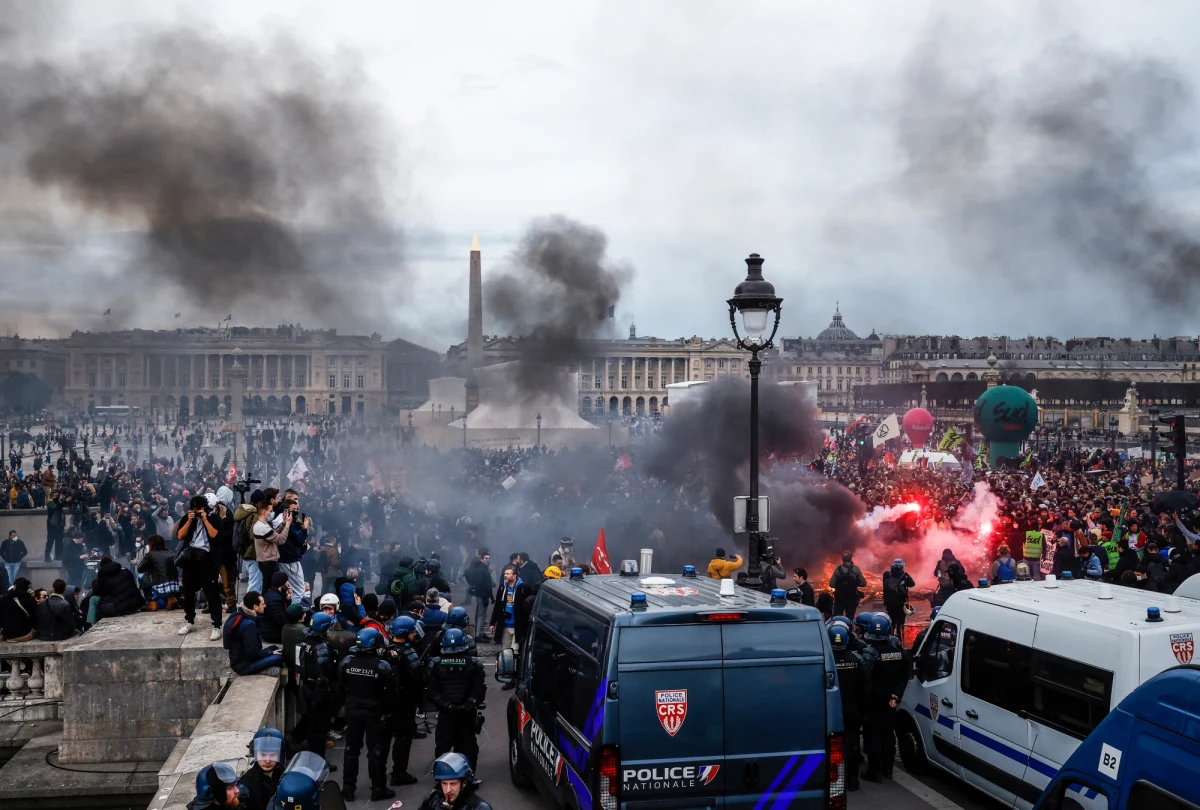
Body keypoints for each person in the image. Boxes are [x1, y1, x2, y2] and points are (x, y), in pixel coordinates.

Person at [338, 627, 395, 803]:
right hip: (374, 713)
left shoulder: (347, 662)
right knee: (375, 752)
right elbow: (392, 692)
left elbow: (341, 687)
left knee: (351, 750)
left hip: (353, 710)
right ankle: (378, 789)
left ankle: (348, 789)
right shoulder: (382, 666)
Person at [427, 627, 486, 772]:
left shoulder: (435, 663)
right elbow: (479, 690)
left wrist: (447, 706)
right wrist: (468, 704)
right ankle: (468, 775)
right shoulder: (474, 663)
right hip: (467, 713)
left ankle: (441, 777)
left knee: (443, 745)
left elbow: (432, 691)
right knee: (467, 744)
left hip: (446, 713)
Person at [860, 614, 907, 783]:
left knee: (874, 736)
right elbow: (905, 675)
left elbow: (867, 680)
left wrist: (885, 695)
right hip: (892, 701)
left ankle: (874, 772)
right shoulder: (898, 650)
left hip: (874, 701)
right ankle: (887, 769)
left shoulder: (870, 653)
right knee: (888, 735)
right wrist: (895, 696)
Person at [175, 494, 224, 641]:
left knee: (212, 594)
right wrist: (190, 520)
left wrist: (205, 519)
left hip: (207, 561)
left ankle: (216, 624)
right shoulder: (187, 518)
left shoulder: (213, 518)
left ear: (205, 508)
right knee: (188, 593)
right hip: (190, 561)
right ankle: (190, 621)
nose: (196, 511)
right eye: (194, 509)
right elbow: (180, 536)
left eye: (199, 509)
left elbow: (214, 535)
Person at [384, 615, 424, 787]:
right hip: (405, 702)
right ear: (406, 633)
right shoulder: (409, 654)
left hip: (386, 702)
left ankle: (379, 776)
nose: (415, 635)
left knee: (383, 741)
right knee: (403, 739)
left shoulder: (385, 651)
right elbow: (419, 678)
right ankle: (398, 773)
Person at [829, 623, 866, 792]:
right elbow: (864, 687)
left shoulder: (826, 661)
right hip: (852, 710)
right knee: (852, 745)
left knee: (832, 747)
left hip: (831, 711)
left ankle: (835, 781)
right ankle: (853, 781)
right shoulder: (855, 660)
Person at [295, 611, 338, 755]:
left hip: (305, 685)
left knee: (310, 722)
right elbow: (323, 672)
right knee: (319, 727)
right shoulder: (321, 647)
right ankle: (319, 762)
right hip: (318, 690)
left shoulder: (303, 641)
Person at [223, 592, 284, 677]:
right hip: (244, 665)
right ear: (255, 607)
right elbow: (253, 653)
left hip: (240, 659)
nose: (265, 606)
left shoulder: (240, 614)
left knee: (275, 648)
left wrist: (271, 651)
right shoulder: (249, 625)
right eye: (262, 604)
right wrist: (270, 653)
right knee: (280, 657)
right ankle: (262, 670)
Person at [419, 752, 494, 810]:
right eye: (444, 783)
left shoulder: (480, 808)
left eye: (453, 784)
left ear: (464, 783)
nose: (448, 790)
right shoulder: (434, 799)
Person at [241, 728, 285, 810]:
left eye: (272, 755)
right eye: (263, 755)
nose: (268, 761)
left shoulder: (285, 775)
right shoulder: (247, 782)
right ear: (255, 754)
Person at [487, 565, 524, 656]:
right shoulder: (502, 588)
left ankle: (515, 669)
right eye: (504, 574)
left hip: (517, 625)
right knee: (505, 652)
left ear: (514, 575)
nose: (505, 575)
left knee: (515, 652)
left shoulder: (523, 588)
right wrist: (492, 623)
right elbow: (497, 606)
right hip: (505, 625)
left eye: (508, 574)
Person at [461, 549, 494, 643]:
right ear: (482, 559)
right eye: (486, 558)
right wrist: (487, 596)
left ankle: (481, 632)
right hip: (482, 595)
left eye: (489, 558)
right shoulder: (482, 570)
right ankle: (480, 634)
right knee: (482, 615)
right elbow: (483, 584)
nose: (488, 560)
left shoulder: (481, 569)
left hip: (481, 594)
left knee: (480, 613)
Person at [880, 559, 915, 637]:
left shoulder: (886, 574)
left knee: (891, 622)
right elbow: (912, 584)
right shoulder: (904, 575)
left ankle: (890, 638)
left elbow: (885, 587)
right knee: (900, 623)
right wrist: (906, 575)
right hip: (900, 603)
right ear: (902, 566)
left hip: (889, 603)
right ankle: (900, 639)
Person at [830, 551, 867, 618]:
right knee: (850, 617)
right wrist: (855, 582)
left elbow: (831, 584)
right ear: (851, 559)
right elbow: (863, 583)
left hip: (839, 598)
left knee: (837, 618)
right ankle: (849, 628)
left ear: (843, 559)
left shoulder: (838, 570)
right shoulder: (855, 569)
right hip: (851, 598)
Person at [0, 577, 37, 642]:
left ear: (15, 586)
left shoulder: (4, 600)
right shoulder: (29, 600)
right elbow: (35, 617)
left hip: (8, 635)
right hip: (23, 634)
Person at [261, 572, 292, 644]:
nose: (288, 583)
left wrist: (288, 599)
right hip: (273, 635)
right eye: (287, 581)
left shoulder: (274, 593)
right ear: (283, 583)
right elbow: (281, 620)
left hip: (271, 631)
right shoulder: (275, 599)